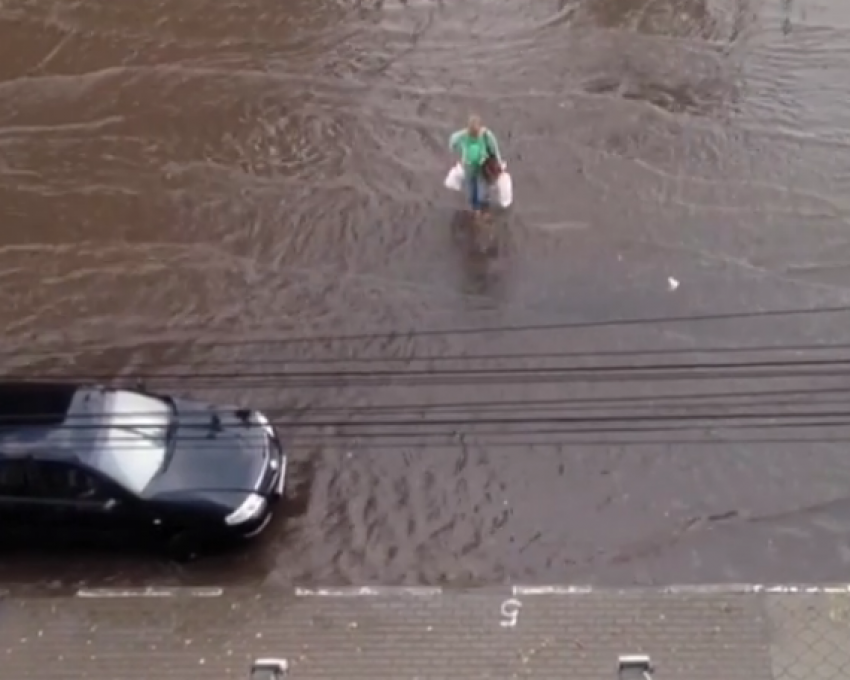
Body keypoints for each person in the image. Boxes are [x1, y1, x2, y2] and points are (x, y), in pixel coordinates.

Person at [449, 115, 504, 216]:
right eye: (472, 133)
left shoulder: (486, 135)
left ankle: (483, 203)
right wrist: (456, 148)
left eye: (475, 133)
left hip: (483, 166)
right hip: (469, 166)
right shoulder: (464, 135)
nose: (474, 135)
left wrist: (499, 163)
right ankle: (476, 208)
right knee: (472, 187)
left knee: (484, 185)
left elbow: (495, 149)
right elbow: (453, 141)